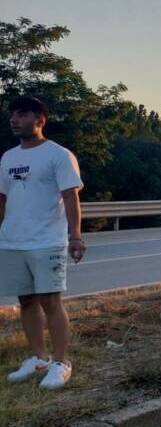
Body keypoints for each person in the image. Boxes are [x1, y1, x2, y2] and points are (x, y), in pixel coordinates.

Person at [1, 95, 85, 390]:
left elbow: (70, 197)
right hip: (13, 240)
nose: (14, 119)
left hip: (47, 240)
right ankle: (38, 357)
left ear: (40, 119)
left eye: (22, 114)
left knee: (50, 301)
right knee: (26, 301)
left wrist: (75, 235)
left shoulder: (58, 155)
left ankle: (62, 363)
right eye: (12, 114)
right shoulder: (8, 157)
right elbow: (2, 199)